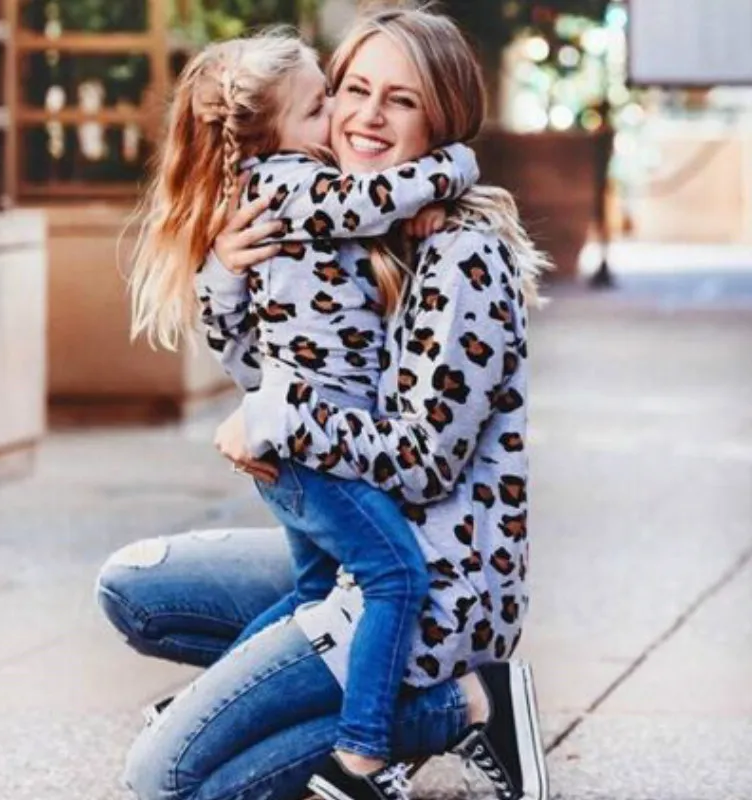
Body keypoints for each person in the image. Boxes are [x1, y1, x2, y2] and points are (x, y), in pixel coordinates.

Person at [97, 8, 550, 800]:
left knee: (166, 779)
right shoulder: (348, 221)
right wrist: (228, 278)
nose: (367, 116)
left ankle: (458, 705)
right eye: (352, 90)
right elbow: (258, 371)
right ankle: (258, 707)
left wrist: (281, 421)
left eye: (402, 100)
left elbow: (425, 459)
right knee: (132, 587)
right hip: (347, 537)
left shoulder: (460, 253)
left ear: (442, 116)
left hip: (426, 582)